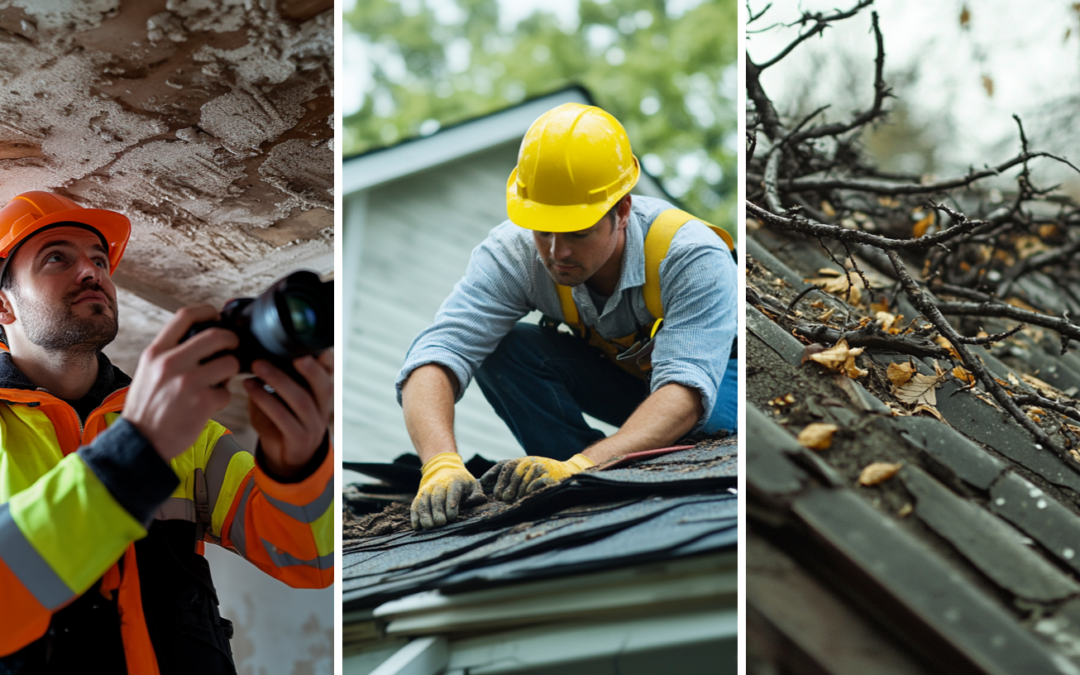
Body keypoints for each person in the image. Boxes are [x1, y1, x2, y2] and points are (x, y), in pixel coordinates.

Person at [0, 191, 334, 674]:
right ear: (4, 307)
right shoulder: (159, 429)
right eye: (57, 258)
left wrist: (297, 466)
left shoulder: (189, 433)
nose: (92, 272)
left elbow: (312, 558)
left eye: (99, 259)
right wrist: (137, 452)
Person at [399, 103, 736, 531]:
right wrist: (439, 463)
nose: (557, 253)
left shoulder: (690, 254)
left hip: (714, 386)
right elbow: (438, 352)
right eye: (544, 230)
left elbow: (687, 390)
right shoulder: (513, 254)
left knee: (705, 436)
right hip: (629, 385)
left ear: (623, 210)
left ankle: (592, 466)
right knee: (507, 350)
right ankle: (572, 482)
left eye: (577, 232)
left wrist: (588, 463)